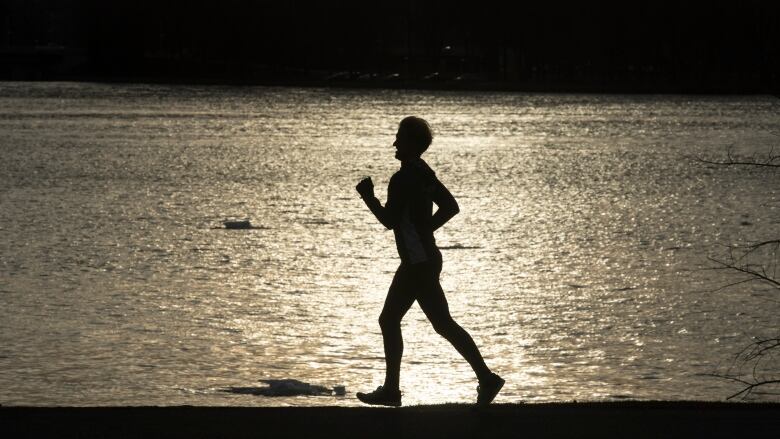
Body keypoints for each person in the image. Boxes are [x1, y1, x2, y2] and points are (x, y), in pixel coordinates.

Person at [355, 116, 504, 407]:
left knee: (391, 320)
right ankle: (486, 378)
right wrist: (427, 230)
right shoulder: (424, 172)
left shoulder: (402, 179)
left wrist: (368, 197)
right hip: (427, 258)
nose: (394, 142)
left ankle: (392, 391)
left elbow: (389, 221)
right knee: (441, 324)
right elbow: (450, 207)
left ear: (411, 143)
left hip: (417, 263)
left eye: (399, 137)